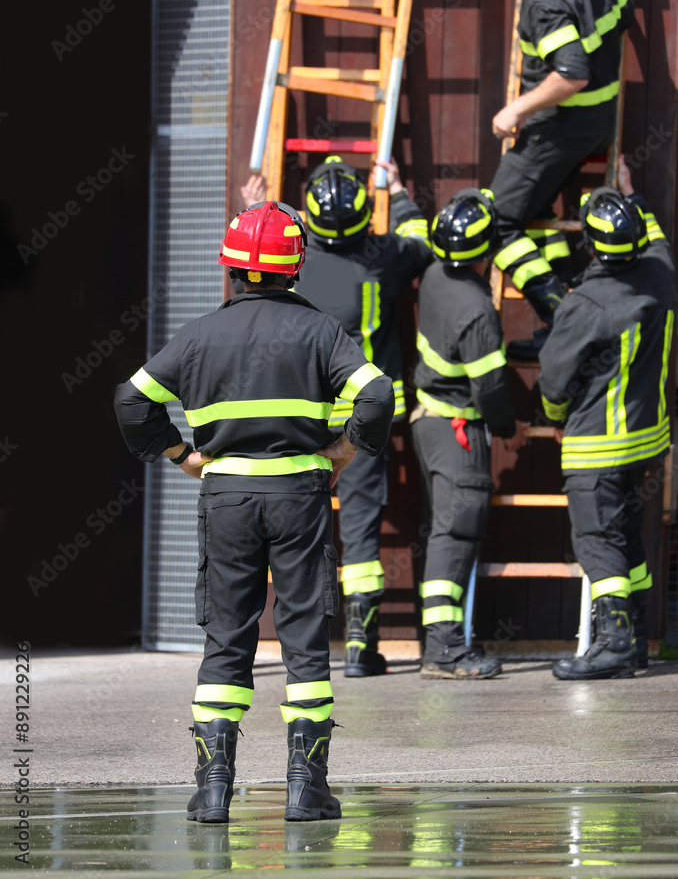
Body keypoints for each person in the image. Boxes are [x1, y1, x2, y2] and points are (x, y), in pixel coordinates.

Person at [114, 200, 394, 821]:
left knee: (227, 637)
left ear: (232, 268)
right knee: (303, 640)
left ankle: (213, 791)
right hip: (300, 496)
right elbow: (375, 394)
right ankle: (306, 789)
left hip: (227, 499)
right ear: (295, 267)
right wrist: (343, 448)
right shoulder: (322, 331)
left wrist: (179, 454)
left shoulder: (199, 335)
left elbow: (132, 400)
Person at [241, 156, 431, 677]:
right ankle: (360, 646)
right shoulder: (383, 257)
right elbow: (419, 241)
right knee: (363, 533)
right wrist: (399, 188)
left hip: (302, 418)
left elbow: (260, 260)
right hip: (362, 422)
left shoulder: (294, 263)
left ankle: (290, 643)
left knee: (294, 527)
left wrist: (256, 205)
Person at [478, 0, 635, 358]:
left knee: (496, 223)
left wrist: (516, 110)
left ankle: (564, 317)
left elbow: (571, 73)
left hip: (560, 124)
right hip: (599, 120)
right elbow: (623, 14)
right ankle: (573, 298)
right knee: (541, 210)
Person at [539, 156, 676, 679]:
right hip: (649, 441)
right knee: (627, 538)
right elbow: (659, 238)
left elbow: (554, 380)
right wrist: (631, 193)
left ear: (592, 245)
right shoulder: (661, 275)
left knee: (598, 540)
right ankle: (637, 641)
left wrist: (554, 416)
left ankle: (615, 646)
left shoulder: (586, 303)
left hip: (597, 446)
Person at [410, 188, 528, 678]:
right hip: (458, 431)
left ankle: (441, 645)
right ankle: (444, 651)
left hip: (429, 423)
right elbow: (491, 387)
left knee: (445, 532)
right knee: (455, 536)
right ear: (485, 249)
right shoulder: (478, 307)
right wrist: (507, 428)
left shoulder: (435, 274)